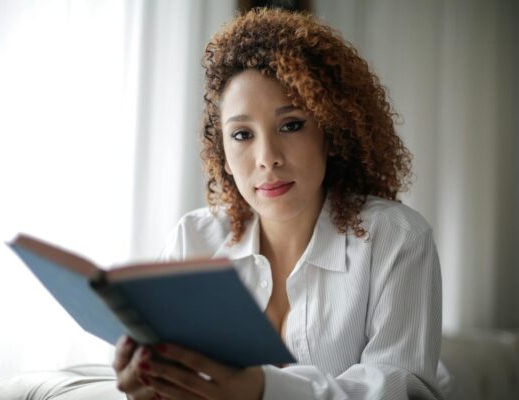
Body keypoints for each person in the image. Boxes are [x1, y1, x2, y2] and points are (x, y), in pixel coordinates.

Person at [113, 7, 446, 400]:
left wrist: (263, 389)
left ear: (331, 131)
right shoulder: (194, 239)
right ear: (220, 148)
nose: (266, 157)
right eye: (241, 134)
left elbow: (403, 388)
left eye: (291, 125)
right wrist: (147, 378)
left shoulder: (396, 238)